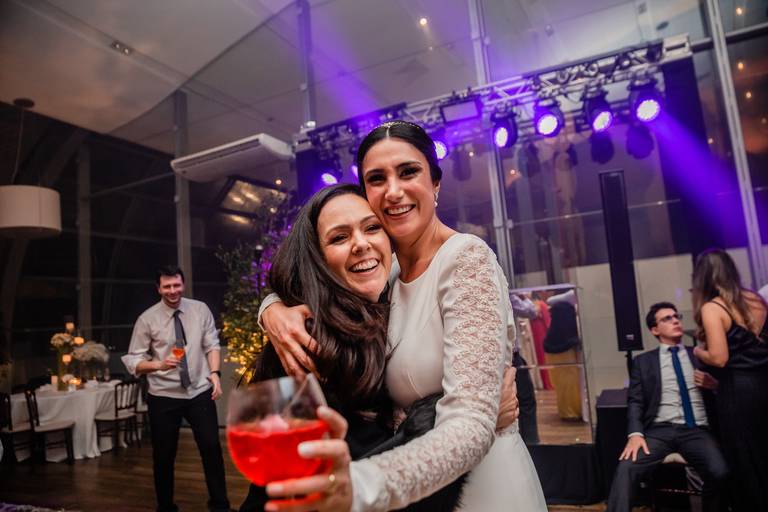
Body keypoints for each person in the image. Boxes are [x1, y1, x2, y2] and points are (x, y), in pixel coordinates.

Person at [261, 121, 546, 511]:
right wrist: (271, 309)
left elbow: (470, 425)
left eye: (408, 171)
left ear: (435, 183)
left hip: (477, 487)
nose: (393, 191)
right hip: (417, 491)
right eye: (377, 179)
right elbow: (313, 277)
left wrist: (362, 484)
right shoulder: (387, 272)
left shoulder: (466, 260)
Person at [122, 266, 230, 512]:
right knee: (163, 455)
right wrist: (159, 364)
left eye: (176, 285)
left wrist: (215, 374)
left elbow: (212, 344)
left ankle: (220, 506)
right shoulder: (147, 319)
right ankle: (166, 507)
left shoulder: (200, 310)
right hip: (163, 396)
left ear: (183, 284)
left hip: (199, 391)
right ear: (158, 288)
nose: (173, 291)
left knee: (212, 448)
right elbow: (133, 359)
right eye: (167, 286)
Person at [607, 302, 727, 512]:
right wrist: (635, 434)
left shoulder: (700, 355)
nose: (675, 321)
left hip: (696, 430)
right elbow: (635, 401)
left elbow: (729, 388)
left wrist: (715, 386)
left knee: (720, 472)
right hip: (659, 431)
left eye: (676, 316)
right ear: (655, 330)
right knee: (626, 468)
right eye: (667, 319)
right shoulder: (643, 362)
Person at [692, 248, 768, 511]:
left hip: (739, 392)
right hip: (764, 384)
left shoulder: (713, 308)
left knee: (744, 460)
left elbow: (719, 358)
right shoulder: (756, 299)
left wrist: (698, 351)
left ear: (703, 277)